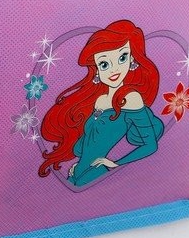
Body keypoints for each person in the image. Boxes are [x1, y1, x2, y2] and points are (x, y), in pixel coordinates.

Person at [39, 20, 164, 186]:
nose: (114, 69)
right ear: (96, 69)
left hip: (96, 171)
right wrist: (78, 164)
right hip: (78, 170)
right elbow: (88, 143)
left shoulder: (131, 99)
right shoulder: (100, 100)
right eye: (104, 64)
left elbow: (151, 145)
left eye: (122, 57)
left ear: (132, 58)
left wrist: (115, 163)